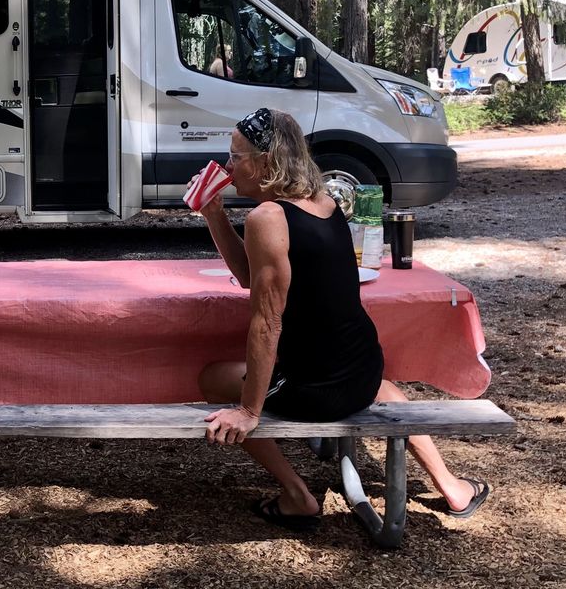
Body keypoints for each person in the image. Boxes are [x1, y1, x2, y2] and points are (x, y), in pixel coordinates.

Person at [191, 107, 491, 530]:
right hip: (364, 372)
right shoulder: (325, 203)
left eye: (235, 156)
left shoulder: (267, 217)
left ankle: (296, 495)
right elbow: (247, 276)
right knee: (385, 387)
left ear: (265, 161)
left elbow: (266, 323)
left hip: (317, 390)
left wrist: (248, 410)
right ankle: (452, 487)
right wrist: (214, 214)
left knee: (212, 377)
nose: (227, 166)